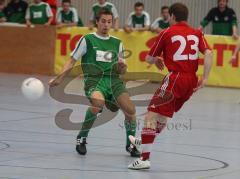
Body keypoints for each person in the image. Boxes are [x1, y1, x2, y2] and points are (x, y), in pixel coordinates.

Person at [128, 3, 213, 170]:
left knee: (150, 117)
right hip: (191, 81)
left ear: (172, 16)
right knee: (163, 117)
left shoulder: (167, 32)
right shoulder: (197, 33)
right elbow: (209, 53)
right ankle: (142, 142)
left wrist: (157, 59)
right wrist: (205, 78)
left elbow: (149, 59)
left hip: (175, 78)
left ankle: (144, 159)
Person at [49, 9, 140, 157]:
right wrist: (60, 77)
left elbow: (122, 71)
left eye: (109, 22)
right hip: (94, 80)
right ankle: (82, 137)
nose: (106, 24)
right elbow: (72, 60)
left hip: (114, 81)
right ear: (97, 22)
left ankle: (130, 145)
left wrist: (122, 67)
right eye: (103, 21)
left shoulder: (117, 43)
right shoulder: (87, 39)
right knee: (98, 103)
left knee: (130, 111)